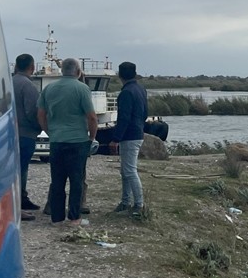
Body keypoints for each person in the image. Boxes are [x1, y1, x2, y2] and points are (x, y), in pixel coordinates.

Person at [38, 57, 98, 226]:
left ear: (62, 70)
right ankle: (74, 217)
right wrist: (91, 137)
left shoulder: (49, 89)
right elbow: (92, 117)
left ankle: (56, 217)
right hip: (78, 140)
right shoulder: (82, 88)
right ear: (78, 71)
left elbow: (41, 114)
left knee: (57, 180)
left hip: (57, 140)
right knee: (76, 180)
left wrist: (50, 131)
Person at [110, 61, 148, 216]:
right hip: (138, 132)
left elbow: (123, 118)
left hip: (129, 136)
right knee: (126, 170)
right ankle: (125, 202)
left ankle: (139, 205)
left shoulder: (126, 93)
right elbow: (145, 112)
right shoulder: (141, 89)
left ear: (120, 75)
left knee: (130, 170)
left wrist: (116, 138)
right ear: (135, 73)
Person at [11, 53, 43, 220]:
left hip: (10, 133)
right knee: (20, 169)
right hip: (25, 134)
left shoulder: (9, 83)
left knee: (16, 169)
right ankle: (18, 205)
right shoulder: (28, 86)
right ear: (32, 67)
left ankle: (22, 199)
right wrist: (40, 126)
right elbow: (32, 111)